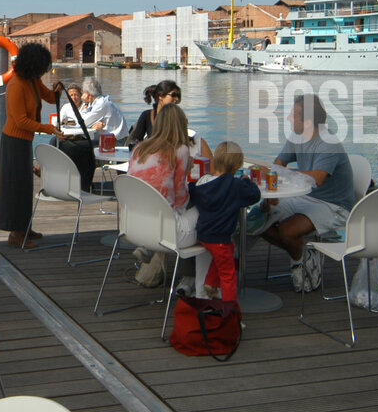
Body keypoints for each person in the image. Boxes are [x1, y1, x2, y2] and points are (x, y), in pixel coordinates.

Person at [257, 93, 355, 293]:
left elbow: (317, 178)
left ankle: (299, 264)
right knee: (258, 221)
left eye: (293, 115)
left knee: (287, 231)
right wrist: (273, 189)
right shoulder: (297, 136)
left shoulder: (328, 143)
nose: (288, 119)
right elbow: (279, 163)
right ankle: (303, 253)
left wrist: (283, 174)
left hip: (333, 205)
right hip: (306, 197)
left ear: (308, 121)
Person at [0, 43, 66, 248]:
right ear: (33, 64)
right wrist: (49, 129)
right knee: (15, 187)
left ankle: (24, 228)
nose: (44, 71)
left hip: (24, 140)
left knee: (25, 186)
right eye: (43, 66)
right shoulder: (16, 85)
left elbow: (48, 97)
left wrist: (57, 92)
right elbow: (20, 121)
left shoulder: (32, 80)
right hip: (13, 141)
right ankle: (16, 234)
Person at [127, 105, 200, 286]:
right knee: (207, 212)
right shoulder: (180, 150)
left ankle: (150, 264)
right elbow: (180, 197)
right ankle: (192, 280)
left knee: (165, 209)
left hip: (135, 226)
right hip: (166, 231)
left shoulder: (139, 149)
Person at [188, 141, 260, 301]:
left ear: (215, 161)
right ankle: (230, 313)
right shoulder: (236, 186)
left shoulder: (203, 184)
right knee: (228, 276)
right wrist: (247, 181)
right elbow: (255, 195)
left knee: (227, 251)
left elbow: (192, 191)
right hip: (219, 237)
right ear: (236, 167)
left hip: (203, 234)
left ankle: (210, 282)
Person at [127, 80, 215, 158]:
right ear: (160, 96)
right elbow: (135, 141)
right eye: (173, 95)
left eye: (178, 96)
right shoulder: (147, 115)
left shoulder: (177, 117)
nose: (176, 99)